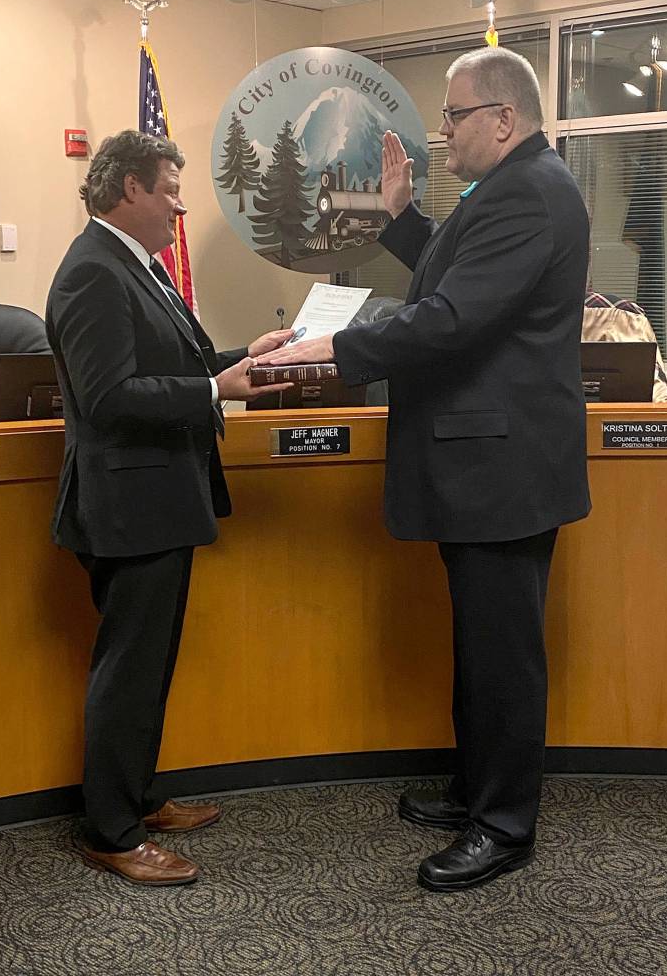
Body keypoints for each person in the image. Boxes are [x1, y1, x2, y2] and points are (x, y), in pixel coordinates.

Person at [257, 48, 591, 891]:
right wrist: (402, 219)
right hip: (485, 465)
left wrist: (338, 349)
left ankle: (504, 824)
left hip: (502, 470)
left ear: (504, 119)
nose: (442, 135)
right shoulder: (511, 193)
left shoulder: (532, 195)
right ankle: (475, 790)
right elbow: (459, 273)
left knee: (504, 654)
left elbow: (449, 320)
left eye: (454, 116)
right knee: (480, 646)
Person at [45, 129, 292, 887]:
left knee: (151, 665)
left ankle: (139, 797)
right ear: (130, 191)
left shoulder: (135, 266)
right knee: (128, 668)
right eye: (171, 190)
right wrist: (220, 390)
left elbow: (172, 363)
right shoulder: (93, 272)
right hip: (128, 504)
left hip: (160, 498)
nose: (181, 207)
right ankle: (112, 830)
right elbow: (110, 398)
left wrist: (241, 358)